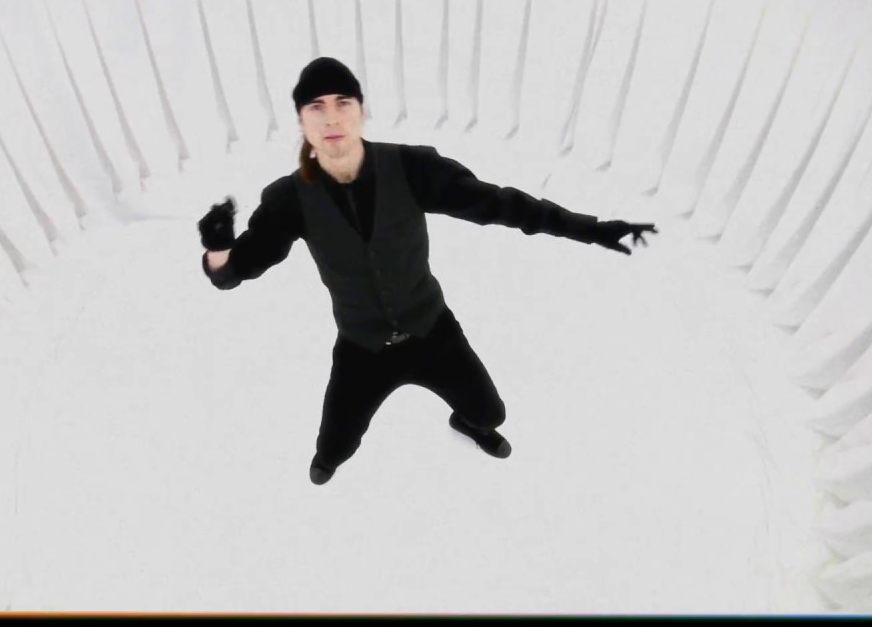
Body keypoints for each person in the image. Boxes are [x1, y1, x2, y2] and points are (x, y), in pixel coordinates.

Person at [198, 57, 656, 486]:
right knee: (333, 451)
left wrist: (595, 231)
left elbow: (505, 206)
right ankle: (331, 455)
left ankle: (466, 424)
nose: (331, 118)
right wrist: (218, 249)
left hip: (433, 331)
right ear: (301, 120)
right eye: (316, 107)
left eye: (343, 103)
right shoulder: (290, 198)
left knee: (491, 414)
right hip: (361, 348)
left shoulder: (411, 168)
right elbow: (234, 272)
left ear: (360, 111)